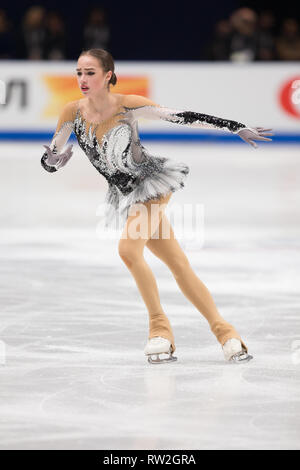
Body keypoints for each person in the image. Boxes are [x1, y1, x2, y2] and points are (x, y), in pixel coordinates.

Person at [40, 48, 273, 364]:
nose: (82, 79)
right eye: (79, 72)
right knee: (178, 264)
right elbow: (50, 158)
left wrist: (235, 126)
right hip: (124, 195)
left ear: (108, 75)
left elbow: (183, 116)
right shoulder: (72, 112)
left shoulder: (128, 105)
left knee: (128, 250)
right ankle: (226, 333)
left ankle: (159, 329)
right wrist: (55, 160)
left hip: (150, 185)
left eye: (90, 72)